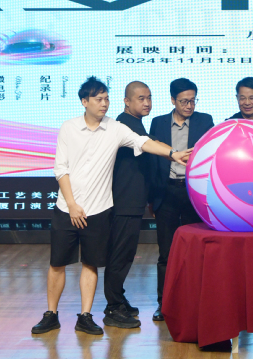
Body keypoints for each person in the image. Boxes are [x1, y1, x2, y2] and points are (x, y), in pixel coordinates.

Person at [32, 76, 191, 336]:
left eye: (106, 99)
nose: (104, 103)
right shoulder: (69, 128)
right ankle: (51, 314)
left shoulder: (115, 128)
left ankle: (85, 316)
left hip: (99, 209)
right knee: (57, 263)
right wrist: (71, 204)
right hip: (67, 208)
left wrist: (173, 154)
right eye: (98, 99)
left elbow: (143, 142)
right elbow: (61, 169)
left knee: (91, 264)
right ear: (84, 101)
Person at [148, 78, 214, 321]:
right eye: (184, 101)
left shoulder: (204, 121)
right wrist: (152, 198)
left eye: (193, 101)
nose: (189, 106)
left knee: (195, 251)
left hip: (193, 193)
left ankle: (194, 302)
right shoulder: (158, 123)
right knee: (166, 253)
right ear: (172, 100)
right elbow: (153, 161)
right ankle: (164, 304)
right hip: (166, 193)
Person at [102, 81, 153, 329]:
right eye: (141, 98)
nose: (147, 103)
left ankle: (118, 299)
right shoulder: (123, 126)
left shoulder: (134, 123)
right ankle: (113, 307)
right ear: (126, 101)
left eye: (149, 98)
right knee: (120, 255)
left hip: (132, 201)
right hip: (123, 201)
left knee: (124, 254)